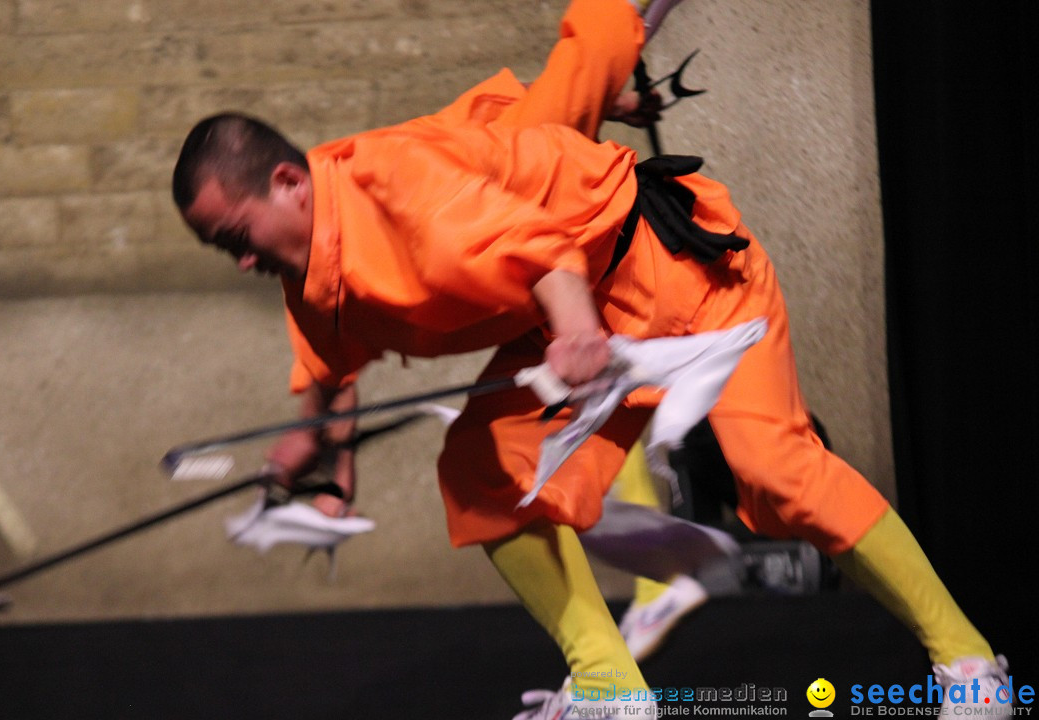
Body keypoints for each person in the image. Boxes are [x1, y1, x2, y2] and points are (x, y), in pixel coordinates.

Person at [170, 0, 1011, 716]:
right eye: (221, 250)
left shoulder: (404, 191)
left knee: (777, 472)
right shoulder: (308, 271)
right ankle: (609, 686)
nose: (240, 260)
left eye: (236, 237)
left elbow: (539, 249)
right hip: (579, 315)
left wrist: (575, 333)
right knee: (481, 470)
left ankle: (971, 665)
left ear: (287, 181)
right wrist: (318, 461)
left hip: (678, 275)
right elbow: (328, 370)